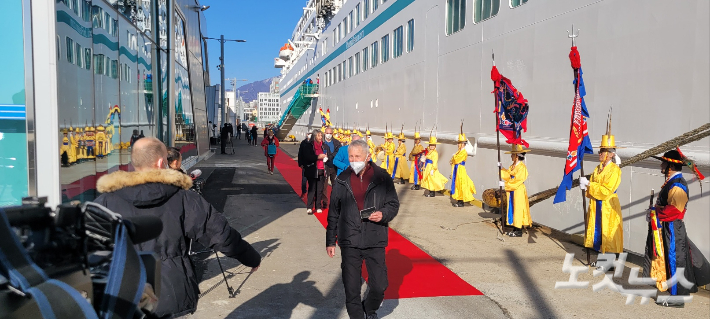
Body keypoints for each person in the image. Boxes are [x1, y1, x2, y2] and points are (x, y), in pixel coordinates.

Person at [94, 137, 261, 318]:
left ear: (134, 162)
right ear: (160, 162)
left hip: (122, 293)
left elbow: (88, 249)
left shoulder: (105, 202)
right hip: (170, 291)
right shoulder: (184, 198)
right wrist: (251, 258)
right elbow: (220, 234)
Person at [326, 139, 399, 319]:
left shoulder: (382, 177)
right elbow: (333, 212)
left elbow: (393, 204)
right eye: (351, 156)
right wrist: (330, 241)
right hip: (349, 239)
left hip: (375, 238)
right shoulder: (341, 180)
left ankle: (369, 308)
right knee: (351, 288)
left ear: (368, 157)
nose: (354, 160)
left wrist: (383, 214)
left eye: (357, 156)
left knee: (379, 285)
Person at [644, 149, 710, 307]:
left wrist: (655, 212)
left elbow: (674, 211)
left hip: (673, 227)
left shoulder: (678, 185)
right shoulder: (672, 182)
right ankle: (672, 291)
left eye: (664, 163)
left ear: (670, 166)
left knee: (676, 260)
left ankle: (678, 298)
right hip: (669, 227)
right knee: (671, 258)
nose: (661, 165)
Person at [580, 126, 623, 266]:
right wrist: (586, 185)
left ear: (611, 154)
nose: (600, 153)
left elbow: (606, 190)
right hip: (597, 204)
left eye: (603, 151)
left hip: (608, 205)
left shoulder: (614, 170)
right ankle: (601, 260)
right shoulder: (598, 168)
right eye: (600, 151)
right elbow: (593, 183)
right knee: (598, 231)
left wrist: (589, 185)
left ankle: (608, 264)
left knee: (608, 232)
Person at [499, 144, 532, 237]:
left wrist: (505, 185)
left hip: (518, 189)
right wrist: (502, 168)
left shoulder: (522, 167)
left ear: (517, 156)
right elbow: (509, 176)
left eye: (512, 154)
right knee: (513, 207)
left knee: (518, 208)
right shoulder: (513, 166)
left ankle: (518, 230)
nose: (511, 156)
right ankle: (515, 227)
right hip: (513, 189)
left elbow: (517, 180)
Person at [298, 129, 329, 214]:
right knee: (312, 189)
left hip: (322, 169)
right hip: (312, 169)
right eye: (319, 135)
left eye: (321, 135)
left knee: (320, 189)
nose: (320, 137)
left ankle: (318, 206)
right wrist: (318, 157)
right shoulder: (309, 146)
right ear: (314, 136)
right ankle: (310, 206)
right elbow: (308, 157)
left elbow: (328, 154)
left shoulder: (324, 146)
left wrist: (326, 158)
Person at [449, 129, 476, 207]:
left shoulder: (464, 152)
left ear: (464, 144)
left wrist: (453, 157)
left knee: (461, 184)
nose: (458, 145)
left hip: (460, 169)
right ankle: (458, 199)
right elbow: (453, 160)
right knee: (457, 183)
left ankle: (461, 201)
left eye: (460, 143)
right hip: (457, 169)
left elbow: (457, 159)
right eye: (458, 143)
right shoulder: (459, 151)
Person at [323, 127, 342, 192]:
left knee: (335, 184)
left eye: (330, 133)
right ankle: (325, 201)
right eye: (327, 133)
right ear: (325, 133)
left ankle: (334, 200)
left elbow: (339, 151)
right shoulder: (322, 142)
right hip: (324, 166)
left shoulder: (336, 142)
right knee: (324, 185)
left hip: (334, 166)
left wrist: (330, 157)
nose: (329, 135)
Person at [299, 133, 312, 198]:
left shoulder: (314, 143)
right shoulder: (303, 143)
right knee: (304, 181)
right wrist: (300, 164)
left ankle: (310, 194)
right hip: (304, 165)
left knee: (311, 182)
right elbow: (300, 154)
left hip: (312, 165)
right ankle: (304, 191)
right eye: (308, 134)